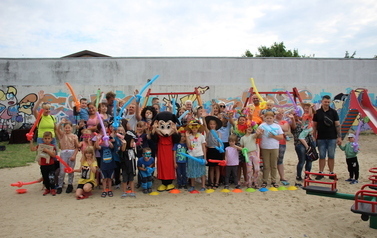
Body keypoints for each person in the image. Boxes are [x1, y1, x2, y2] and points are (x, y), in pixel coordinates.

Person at [313, 95, 342, 180]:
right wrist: (314, 137)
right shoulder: (317, 112)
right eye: (325, 102)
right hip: (321, 138)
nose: (327, 103)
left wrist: (339, 137)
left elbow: (337, 125)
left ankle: (331, 172)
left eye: (328, 102)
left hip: (332, 138)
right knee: (322, 156)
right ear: (322, 101)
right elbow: (314, 126)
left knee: (331, 155)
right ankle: (321, 172)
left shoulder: (333, 112)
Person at [258, 111, 284, 188]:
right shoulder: (262, 126)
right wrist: (260, 133)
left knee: (274, 165)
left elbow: (281, 137)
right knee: (266, 165)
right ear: (265, 118)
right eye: (267, 118)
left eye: (270, 118)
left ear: (273, 118)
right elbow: (258, 137)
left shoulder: (277, 126)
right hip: (265, 147)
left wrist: (273, 136)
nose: (269, 119)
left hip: (274, 147)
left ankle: (273, 180)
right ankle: (265, 180)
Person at [289, 111, 314, 186]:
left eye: (296, 114)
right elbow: (293, 126)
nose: (295, 116)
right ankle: (299, 176)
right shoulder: (293, 124)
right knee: (302, 160)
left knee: (309, 160)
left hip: (308, 143)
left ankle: (307, 175)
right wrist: (293, 119)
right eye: (294, 115)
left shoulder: (303, 122)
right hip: (299, 144)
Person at [56, 119, 79, 194]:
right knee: (62, 171)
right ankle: (60, 185)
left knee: (70, 170)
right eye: (66, 127)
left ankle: (70, 184)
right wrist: (60, 123)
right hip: (63, 153)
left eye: (69, 127)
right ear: (63, 128)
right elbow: (57, 128)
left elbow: (77, 147)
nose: (67, 129)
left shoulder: (74, 136)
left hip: (71, 153)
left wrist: (74, 155)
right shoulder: (62, 135)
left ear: (72, 128)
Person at [30, 131, 57, 196]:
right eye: (45, 138)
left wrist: (47, 151)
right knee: (45, 177)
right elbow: (32, 149)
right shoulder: (40, 146)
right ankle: (47, 189)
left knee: (52, 177)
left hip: (51, 164)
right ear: (43, 139)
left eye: (48, 138)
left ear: (51, 139)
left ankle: (53, 189)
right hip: (43, 165)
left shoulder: (53, 146)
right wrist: (31, 142)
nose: (47, 140)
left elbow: (54, 155)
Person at [94, 123, 116, 198]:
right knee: (104, 179)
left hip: (111, 165)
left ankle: (109, 189)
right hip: (104, 165)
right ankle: (104, 190)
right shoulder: (102, 148)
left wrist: (108, 140)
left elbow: (112, 146)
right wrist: (98, 139)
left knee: (110, 179)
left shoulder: (110, 147)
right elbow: (97, 146)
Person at [185, 120, 207, 191]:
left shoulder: (202, 136)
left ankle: (203, 186)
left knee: (202, 171)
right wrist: (187, 137)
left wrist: (205, 158)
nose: (194, 128)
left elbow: (204, 147)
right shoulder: (190, 136)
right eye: (192, 127)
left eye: (196, 127)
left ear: (198, 128)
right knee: (192, 171)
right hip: (191, 156)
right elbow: (188, 146)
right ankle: (192, 185)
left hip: (200, 155)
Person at [240, 122, 261, 188]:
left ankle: (255, 181)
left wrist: (255, 127)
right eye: (248, 127)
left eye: (251, 127)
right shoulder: (242, 138)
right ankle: (249, 182)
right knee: (249, 169)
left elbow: (257, 134)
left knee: (257, 169)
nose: (249, 128)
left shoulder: (253, 135)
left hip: (254, 153)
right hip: (248, 155)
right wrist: (243, 150)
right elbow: (242, 146)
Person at [204, 115, 223, 189]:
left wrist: (221, 149)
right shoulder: (208, 132)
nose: (212, 125)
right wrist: (203, 117)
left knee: (217, 168)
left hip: (217, 151)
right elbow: (204, 125)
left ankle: (217, 182)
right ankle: (211, 182)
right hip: (210, 150)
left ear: (216, 125)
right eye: (211, 124)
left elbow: (220, 143)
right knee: (211, 168)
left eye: (213, 124)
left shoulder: (218, 133)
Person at [119, 130, 138, 198]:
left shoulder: (132, 150)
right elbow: (122, 151)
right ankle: (124, 191)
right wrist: (124, 144)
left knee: (131, 179)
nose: (133, 143)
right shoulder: (124, 149)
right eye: (132, 141)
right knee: (124, 180)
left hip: (131, 166)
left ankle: (132, 191)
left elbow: (135, 156)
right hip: (125, 166)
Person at [275, 109, 290, 185]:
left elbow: (286, 128)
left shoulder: (284, 122)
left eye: (282, 113)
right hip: (272, 143)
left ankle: (282, 176)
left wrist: (275, 125)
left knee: (280, 160)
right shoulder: (271, 120)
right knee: (271, 160)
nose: (280, 114)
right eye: (279, 112)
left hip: (281, 142)